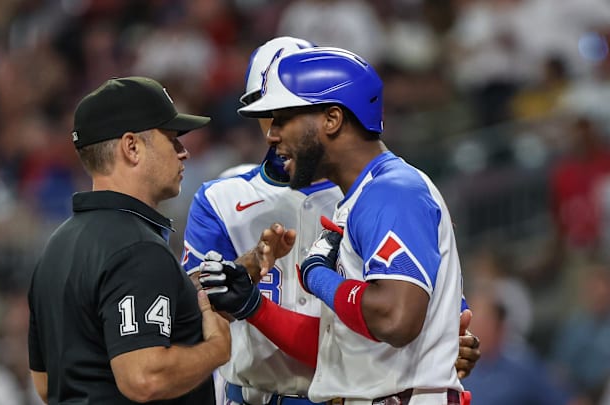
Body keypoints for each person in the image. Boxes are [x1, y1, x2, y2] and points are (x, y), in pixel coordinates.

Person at [185, 39, 479, 405]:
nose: (272, 133)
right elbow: (340, 343)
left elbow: (396, 318)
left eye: (284, 118)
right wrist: (254, 306)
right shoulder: (360, 197)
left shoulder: (391, 191)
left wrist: (317, 276)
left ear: (332, 118)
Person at [27, 77, 232, 404]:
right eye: (172, 138)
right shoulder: (138, 249)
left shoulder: (56, 247)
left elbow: (46, 383)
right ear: (131, 147)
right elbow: (144, 378)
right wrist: (215, 350)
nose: (184, 152)